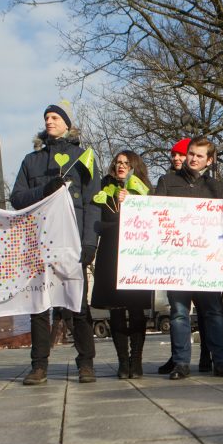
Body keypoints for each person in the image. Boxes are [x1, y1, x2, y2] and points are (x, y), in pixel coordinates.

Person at [10, 99, 101, 385]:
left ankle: (86, 363)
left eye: (55, 117)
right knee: (38, 305)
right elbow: (17, 199)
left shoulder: (83, 157)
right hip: (38, 243)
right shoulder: (31, 160)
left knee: (77, 305)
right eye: (47, 117)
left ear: (66, 124)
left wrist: (89, 243)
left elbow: (92, 202)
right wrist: (44, 189)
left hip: (72, 243)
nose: (49, 121)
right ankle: (39, 366)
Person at [154, 137, 223, 378]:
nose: (192, 158)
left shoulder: (217, 188)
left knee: (213, 311)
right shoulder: (167, 182)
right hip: (177, 261)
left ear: (209, 161)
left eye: (199, 156)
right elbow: (155, 215)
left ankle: (220, 362)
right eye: (191, 153)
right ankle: (181, 363)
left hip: (207, 263)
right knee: (179, 312)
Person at [90, 151, 152, 379]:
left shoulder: (144, 189)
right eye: (118, 162)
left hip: (136, 258)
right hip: (110, 255)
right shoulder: (103, 188)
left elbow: (152, 221)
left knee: (136, 310)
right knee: (116, 310)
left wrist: (134, 203)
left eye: (126, 163)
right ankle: (123, 362)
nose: (121, 166)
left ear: (135, 167)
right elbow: (98, 221)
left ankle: (136, 360)